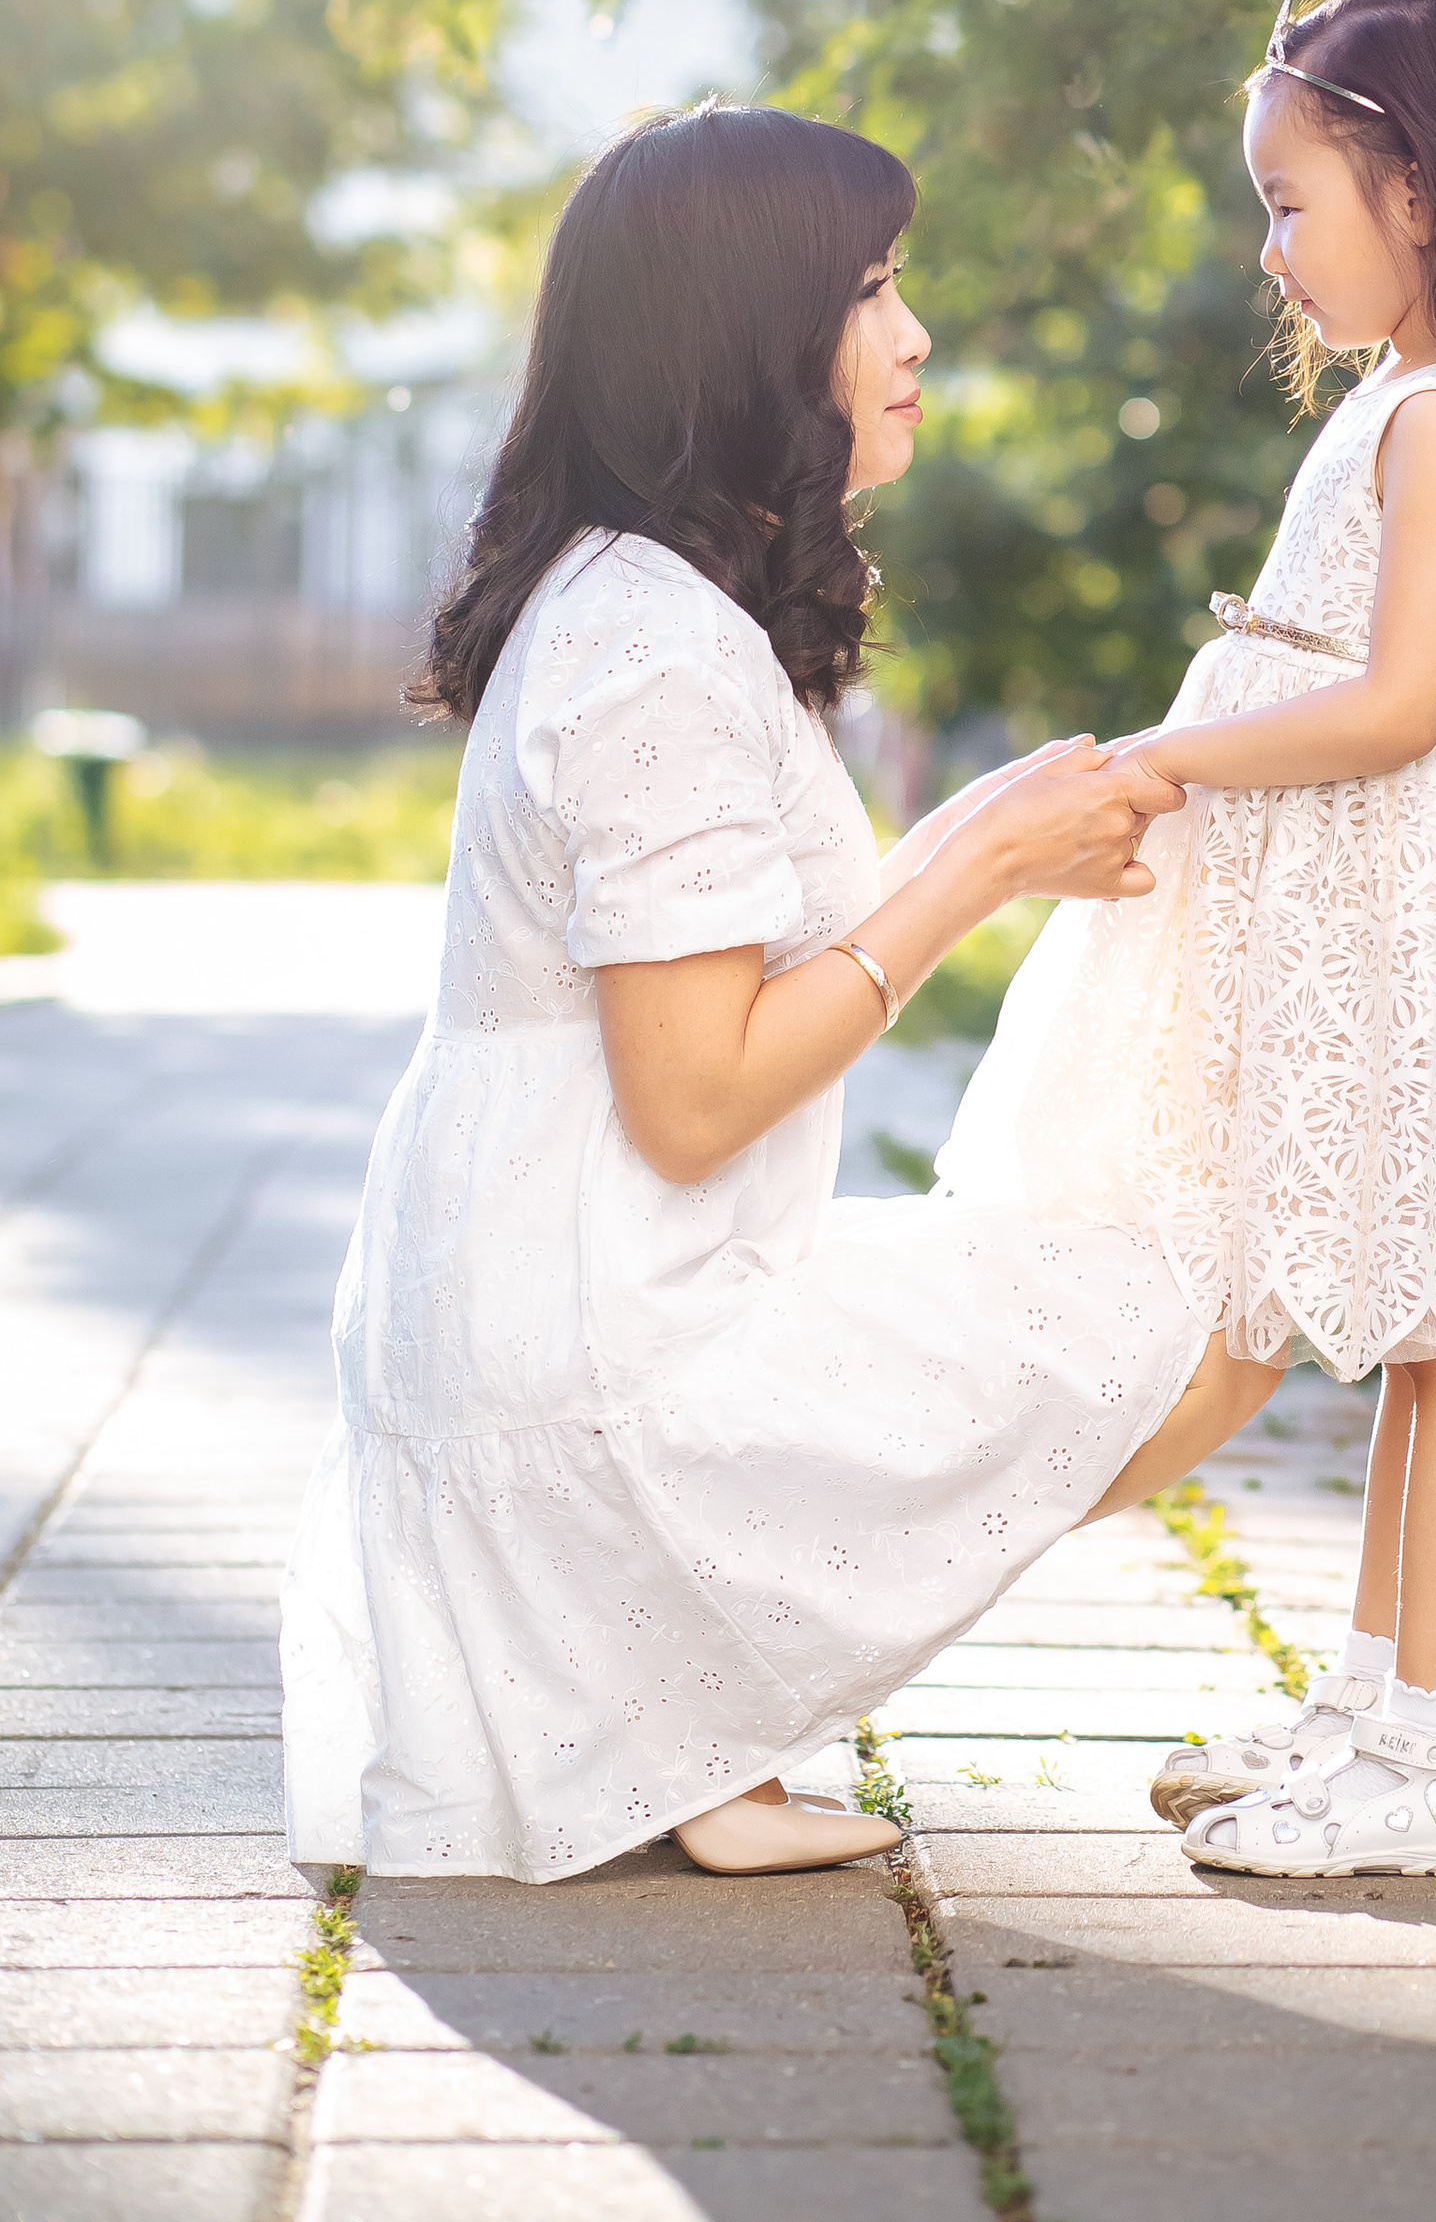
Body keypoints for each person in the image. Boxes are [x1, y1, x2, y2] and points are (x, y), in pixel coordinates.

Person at [281, 106, 1270, 1885]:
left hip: (568, 1303)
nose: (914, 337)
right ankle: (685, 1714)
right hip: (596, 1369)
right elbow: (696, 1097)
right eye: (872, 289)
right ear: (741, 336)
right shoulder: (652, 649)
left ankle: (690, 1735)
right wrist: (969, 875)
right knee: (1207, 1318)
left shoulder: (642, 597)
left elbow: (716, 993)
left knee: (1139, 1306)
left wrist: (994, 826)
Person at [939, 0, 1436, 1875]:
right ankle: (1363, 1710)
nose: (1270, 248)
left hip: (1413, 876)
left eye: (1288, 199)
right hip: (1373, 877)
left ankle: (1434, 1759)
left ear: (1416, 193)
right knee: (1418, 1320)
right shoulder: (1408, 405)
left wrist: (1178, 755)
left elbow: (1403, 701)